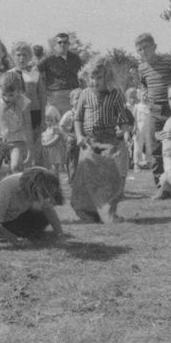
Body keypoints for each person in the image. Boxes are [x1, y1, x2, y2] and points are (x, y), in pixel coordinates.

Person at [71, 55, 134, 223]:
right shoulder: (84, 94)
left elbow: (123, 119)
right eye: (92, 77)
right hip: (89, 141)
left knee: (108, 179)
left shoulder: (116, 94)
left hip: (109, 139)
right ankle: (87, 213)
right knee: (87, 179)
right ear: (87, 77)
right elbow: (77, 118)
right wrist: (79, 136)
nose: (95, 81)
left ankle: (108, 213)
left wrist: (125, 132)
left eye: (99, 77)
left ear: (107, 77)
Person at [135, 33, 171, 192]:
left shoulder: (168, 61)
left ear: (154, 47)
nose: (143, 52)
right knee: (152, 146)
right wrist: (145, 95)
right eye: (139, 49)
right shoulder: (142, 67)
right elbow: (144, 85)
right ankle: (162, 186)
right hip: (153, 109)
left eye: (145, 48)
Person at [0, 167, 63, 245]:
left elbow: (49, 210)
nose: (46, 198)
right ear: (34, 188)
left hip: (19, 215)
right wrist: (13, 239)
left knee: (44, 218)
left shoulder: (42, 181)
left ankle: (28, 234)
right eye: (45, 195)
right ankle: (7, 234)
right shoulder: (6, 190)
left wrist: (60, 235)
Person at [0, 70, 32, 185]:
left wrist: (30, 149)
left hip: (17, 139)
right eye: (4, 94)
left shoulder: (23, 102)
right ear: (0, 90)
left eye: (11, 95)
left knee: (16, 166)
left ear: (18, 91)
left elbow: (28, 125)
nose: (7, 98)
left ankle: (17, 188)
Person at [13, 41, 47, 164]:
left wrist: (43, 117)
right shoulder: (10, 74)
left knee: (36, 151)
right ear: (13, 56)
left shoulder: (34, 73)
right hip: (17, 117)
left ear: (30, 56)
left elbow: (42, 96)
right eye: (18, 55)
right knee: (21, 152)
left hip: (34, 113)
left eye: (25, 55)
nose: (21, 58)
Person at [38, 32, 82, 115]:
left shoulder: (75, 58)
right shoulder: (48, 59)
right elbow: (35, 72)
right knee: (56, 124)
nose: (62, 44)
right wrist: (42, 88)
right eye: (60, 42)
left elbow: (81, 75)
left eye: (65, 42)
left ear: (69, 44)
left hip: (73, 96)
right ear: (55, 44)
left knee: (72, 122)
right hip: (55, 96)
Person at [41, 105, 66, 175]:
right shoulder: (46, 130)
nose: (48, 122)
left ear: (55, 119)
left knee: (55, 168)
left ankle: (56, 179)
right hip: (48, 151)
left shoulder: (55, 128)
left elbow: (56, 138)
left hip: (55, 150)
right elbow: (43, 138)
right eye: (47, 120)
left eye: (51, 120)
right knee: (49, 168)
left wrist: (47, 144)